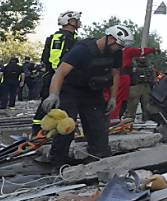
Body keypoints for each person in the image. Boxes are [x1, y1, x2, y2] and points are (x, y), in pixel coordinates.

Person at [40, 25, 132, 165]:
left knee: (98, 127)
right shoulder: (82, 50)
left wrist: (113, 97)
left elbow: (115, 74)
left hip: (93, 92)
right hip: (70, 90)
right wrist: (53, 94)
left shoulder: (115, 53)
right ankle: (58, 161)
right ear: (111, 39)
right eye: (118, 46)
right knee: (66, 127)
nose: (119, 50)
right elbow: (60, 72)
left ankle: (99, 158)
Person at [32, 11, 82, 135]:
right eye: (76, 20)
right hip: (57, 76)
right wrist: (60, 74)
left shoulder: (73, 37)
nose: (79, 22)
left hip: (64, 76)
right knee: (48, 104)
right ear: (69, 21)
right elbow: (55, 57)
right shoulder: (60, 37)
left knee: (63, 105)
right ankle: (38, 131)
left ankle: (58, 131)